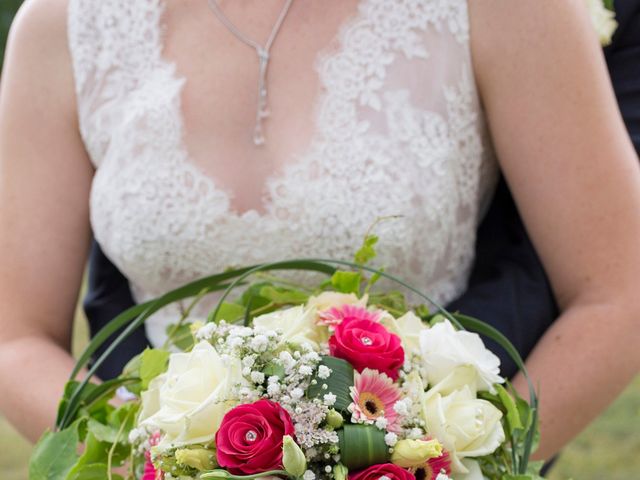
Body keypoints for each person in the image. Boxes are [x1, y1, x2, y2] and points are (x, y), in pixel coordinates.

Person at [1, 0, 639, 465]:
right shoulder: (63, 26)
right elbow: (14, 334)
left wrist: (468, 464)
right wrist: (138, 461)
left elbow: (619, 290)